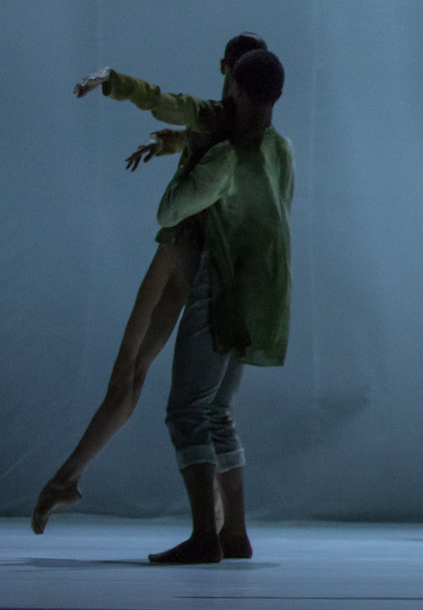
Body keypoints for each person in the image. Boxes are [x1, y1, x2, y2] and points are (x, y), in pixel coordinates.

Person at [33, 34, 268, 534]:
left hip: (181, 252)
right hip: (209, 262)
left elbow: (167, 102)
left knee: (133, 380)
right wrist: (167, 145)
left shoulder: (217, 113)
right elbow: (193, 130)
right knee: (194, 402)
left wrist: (111, 80)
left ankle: (67, 479)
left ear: (227, 68)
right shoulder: (252, 130)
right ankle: (226, 527)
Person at [147, 48, 295, 565]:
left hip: (224, 287)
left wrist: (193, 150)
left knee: (186, 411)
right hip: (267, 295)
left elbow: (169, 211)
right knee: (217, 413)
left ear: (233, 86)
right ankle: (235, 532)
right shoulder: (283, 151)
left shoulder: (226, 157)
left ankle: (203, 536)